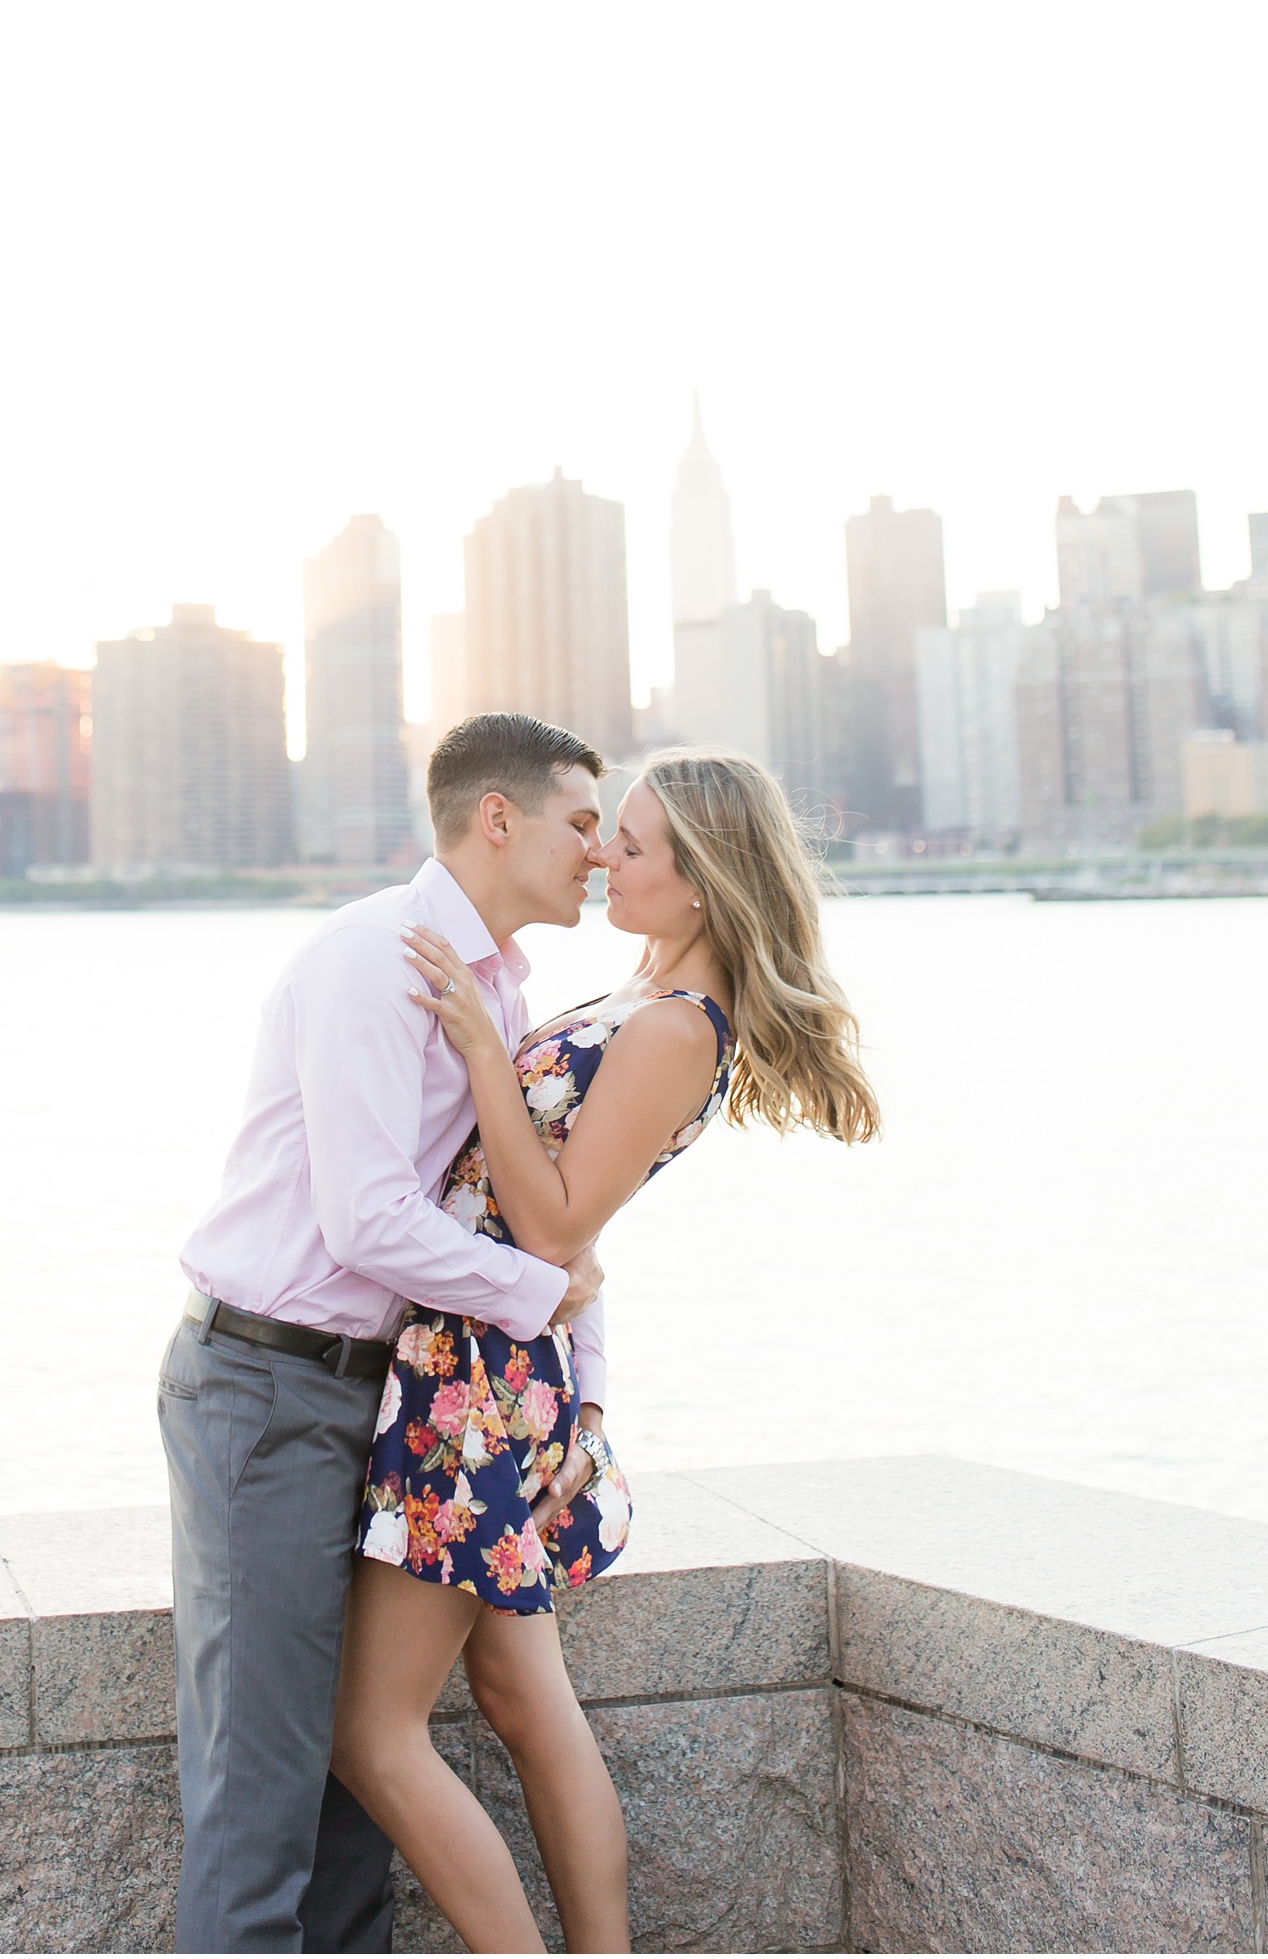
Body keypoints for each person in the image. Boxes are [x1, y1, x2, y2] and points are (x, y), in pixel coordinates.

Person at [329, 746, 882, 1955]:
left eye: (628, 844)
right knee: (524, 1700)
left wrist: (483, 1048)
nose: (600, 855)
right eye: (603, 832)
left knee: (373, 1732)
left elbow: (554, 1220)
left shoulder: (680, 1026)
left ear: (697, 881)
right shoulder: (638, 993)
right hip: (486, 1364)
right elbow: (561, 1238)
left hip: (478, 1384)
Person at [159, 713, 612, 1955]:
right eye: (581, 821)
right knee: (262, 1776)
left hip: (383, 1393)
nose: (599, 849)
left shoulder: (501, 983)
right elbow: (366, 1220)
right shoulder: (377, 957)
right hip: (267, 1382)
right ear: (496, 817)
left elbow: (524, 1209)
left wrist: (580, 1378)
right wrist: (539, 1298)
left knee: (355, 1778)